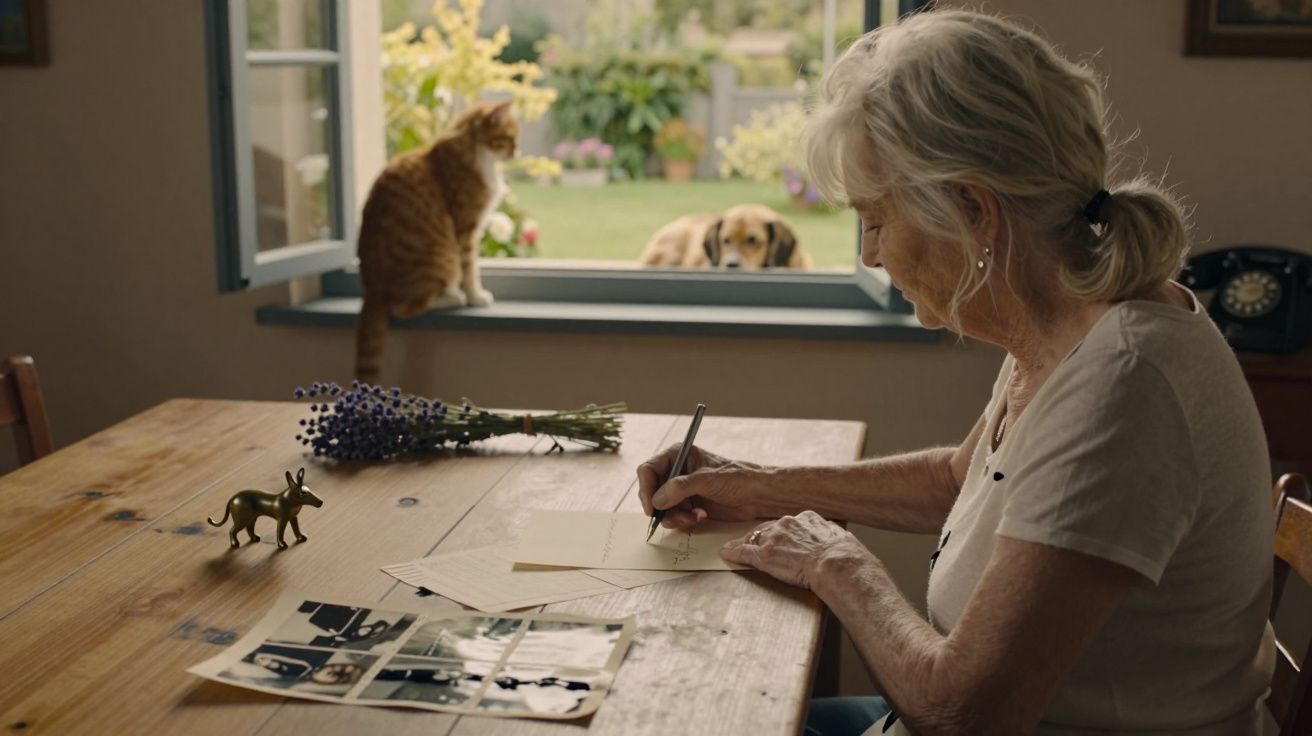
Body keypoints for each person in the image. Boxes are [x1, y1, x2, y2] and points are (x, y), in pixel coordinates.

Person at [638, 9, 1274, 736]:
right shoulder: (1071, 320)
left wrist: (839, 565)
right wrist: (750, 484)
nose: (872, 255)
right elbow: (956, 482)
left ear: (974, 212)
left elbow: (963, 714)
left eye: (876, 220)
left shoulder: (1123, 386)